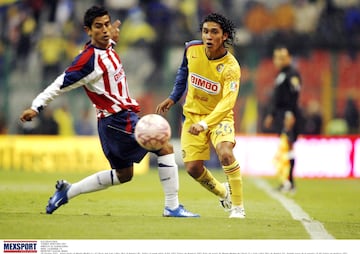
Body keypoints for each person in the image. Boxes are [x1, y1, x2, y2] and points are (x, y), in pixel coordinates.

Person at [20, 5, 198, 218]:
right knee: (165, 147)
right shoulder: (87, 61)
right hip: (117, 120)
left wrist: (113, 35)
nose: (104, 30)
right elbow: (60, 83)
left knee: (124, 175)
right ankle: (172, 206)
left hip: (115, 122)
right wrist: (36, 106)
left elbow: (109, 41)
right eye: (98, 26)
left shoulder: (107, 46)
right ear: (88, 30)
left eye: (106, 24)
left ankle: (68, 191)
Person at [156, 13, 245, 219]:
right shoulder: (191, 49)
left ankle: (238, 207)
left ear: (224, 36)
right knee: (193, 168)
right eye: (205, 31)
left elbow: (227, 103)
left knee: (225, 153)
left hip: (219, 117)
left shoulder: (231, 68)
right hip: (192, 116)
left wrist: (206, 124)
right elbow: (183, 72)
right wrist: (173, 97)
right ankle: (224, 193)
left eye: (214, 32)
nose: (208, 36)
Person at [264, 46, 302, 193]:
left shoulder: (292, 74)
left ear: (289, 58)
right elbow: (276, 98)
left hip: (288, 114)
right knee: (284, 148)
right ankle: (287, 181)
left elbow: (295, 95)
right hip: (280, 114)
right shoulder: (281, 75)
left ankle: (289, 182)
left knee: (288, 147)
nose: (278, 60)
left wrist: (290, 114)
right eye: (276, 57)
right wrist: (272, 114)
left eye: (282, 57)